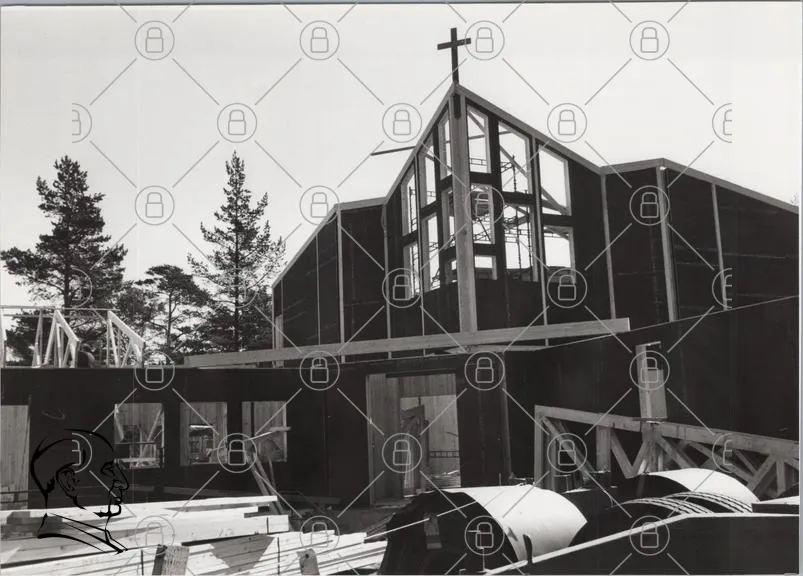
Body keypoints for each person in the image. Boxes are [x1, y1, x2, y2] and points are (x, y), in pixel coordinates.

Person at [30, 429, 129, 553]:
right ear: (69, 482)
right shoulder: (67, 548)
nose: (124, 484)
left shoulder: (99, 542)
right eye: (108, 469)